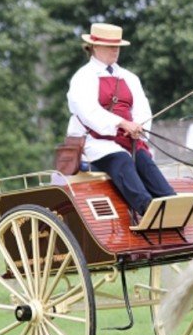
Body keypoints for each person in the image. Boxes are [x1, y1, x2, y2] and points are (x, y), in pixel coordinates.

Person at [66, 22, 175, 217]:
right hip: (95, 143)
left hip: (128, 141)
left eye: (117, 46)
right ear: (95, 47)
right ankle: (147, 210)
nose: (115, 51)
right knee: (122, 160)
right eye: (110, 46)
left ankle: (172, 204)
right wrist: (122, 123)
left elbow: (142, 108)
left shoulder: (129, 77)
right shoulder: (82, 77)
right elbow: (88, 112)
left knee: (144, 162)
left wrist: (139, 127)